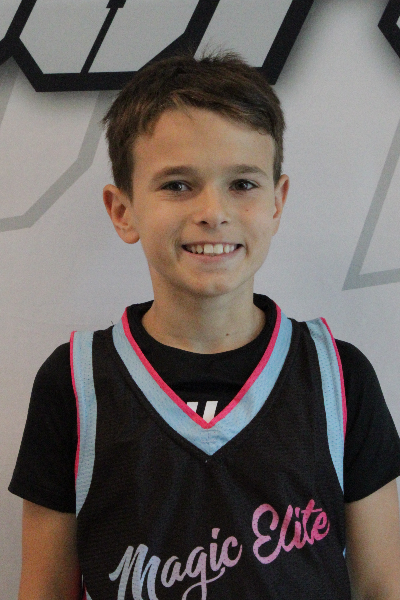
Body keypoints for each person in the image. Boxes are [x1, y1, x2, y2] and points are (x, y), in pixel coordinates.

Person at [9, 48, 400, 600]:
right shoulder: (75, 385)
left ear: (277, 202)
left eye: (242, 184)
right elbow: (44, 590)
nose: (213, 212)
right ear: (122, 210)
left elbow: (384, 584)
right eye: (177, 185)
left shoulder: (340, 377)